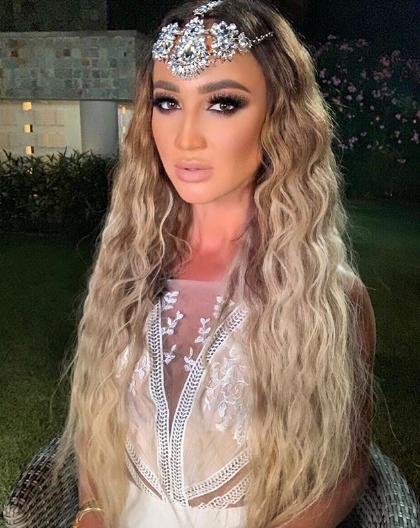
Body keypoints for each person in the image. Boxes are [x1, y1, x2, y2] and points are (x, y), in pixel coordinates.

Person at [52, 1, 377, 527]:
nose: (186, 138)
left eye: (223, 103)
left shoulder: (327, 298)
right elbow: (96, 422)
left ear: (280, 119)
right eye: (167, 102)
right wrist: (90, 510)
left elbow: (345, 468)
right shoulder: (126, 271)